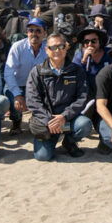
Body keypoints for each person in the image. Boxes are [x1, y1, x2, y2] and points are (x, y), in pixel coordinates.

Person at [26, 32, 92, 160]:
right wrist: (49, 120)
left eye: (61, 46)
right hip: (47, 123)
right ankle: (51, 138)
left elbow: (82, 97)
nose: (57, 50)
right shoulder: (37, 72)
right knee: (42, 157)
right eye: (53, 47)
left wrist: (64, 116)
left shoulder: (76, 71)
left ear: (66, 48)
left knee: (84, 125)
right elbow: (32, 101)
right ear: (46, 50)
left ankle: (69, 142)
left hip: (68, 120)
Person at [4, 18, 48, 129]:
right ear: (27, 32)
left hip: (38, 86)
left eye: (38, 31)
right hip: (18, 84)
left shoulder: (49, 49)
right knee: (12, 96)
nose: (34, 34)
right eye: (31, 30)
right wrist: (17, 95)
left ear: (44, 33)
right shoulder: (17, 47)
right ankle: (16, 120)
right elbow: (8, 73)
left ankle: (37, 120)